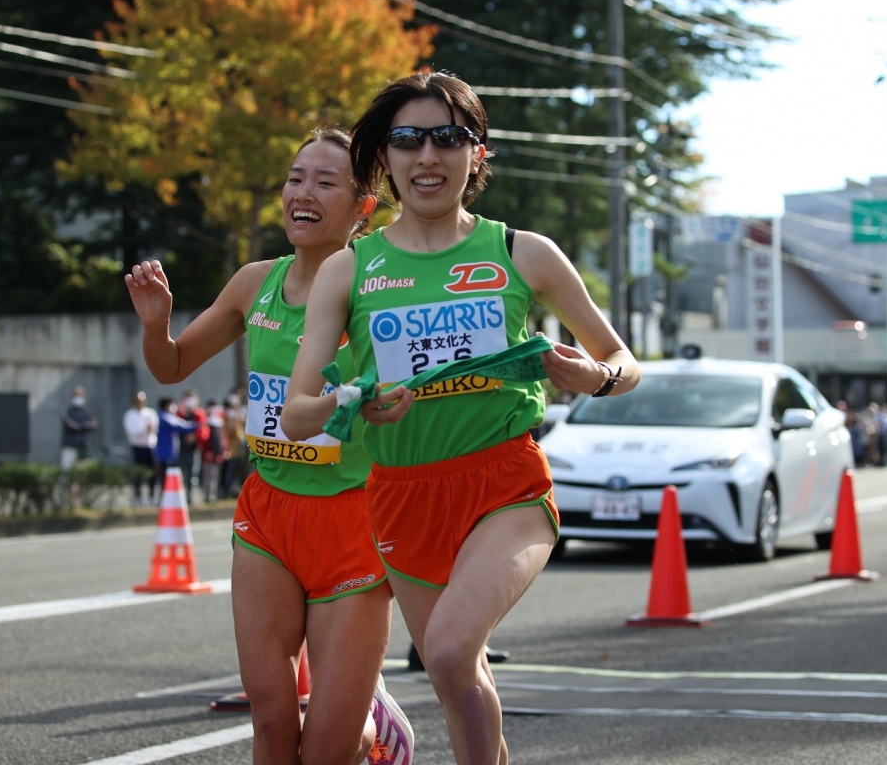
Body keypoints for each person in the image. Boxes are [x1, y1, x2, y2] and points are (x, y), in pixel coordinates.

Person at [282, 71, 639, 765]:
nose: (427, 157)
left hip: (504, 484)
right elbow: (297, 415)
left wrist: (595, 377)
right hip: (401, 492)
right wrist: (354, 399)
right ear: (382, 158)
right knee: (459, 675)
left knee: (444, 651)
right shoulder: (350, 268)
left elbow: (625, 361)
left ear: (476, 154)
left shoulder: (520, 252)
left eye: (449, 139)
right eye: (408, 140)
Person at [124, 127, 411, 764]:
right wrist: (154, 324)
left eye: (325, 182)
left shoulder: (378, 289)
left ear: (363, 207)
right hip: (269, 516)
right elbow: (171, 367)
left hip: (354, 520)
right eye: (295, 178)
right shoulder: (256, 283)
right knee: (273, 725)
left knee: (328, 747)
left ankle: (370, 727)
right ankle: (360, 714)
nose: (302, 193)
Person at [153, 395, 197, 501]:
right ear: (167, 405)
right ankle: (166, 499)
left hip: (169, 452)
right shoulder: (165, 416)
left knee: (169, 476)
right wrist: (199, 424)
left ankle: (168, 498)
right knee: (166, 477)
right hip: (165, 453)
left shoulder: (167, 416)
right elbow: (181, 426)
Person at [123, 390, 159, 506]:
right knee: (138, 474)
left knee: (152, 473)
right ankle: (138, 498)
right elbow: (132, 432)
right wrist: (145, 429)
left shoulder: (150, 413)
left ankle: (152, 497)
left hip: (150, 446)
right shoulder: (130, 415)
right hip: (137, 447)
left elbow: (155, 428)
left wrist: (150, 429)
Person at [176, 388, 209, 504]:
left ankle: (191, 498)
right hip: (179, 449)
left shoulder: (199, 414)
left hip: (193, 450)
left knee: (192, 474)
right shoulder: (179, 413)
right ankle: (180, 498)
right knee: (179, 475)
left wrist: (195, 437)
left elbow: (204, 431)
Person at [59, 386, 99, 470]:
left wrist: (81, 427)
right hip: (69, 445)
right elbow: (68, 424)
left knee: (81, 470)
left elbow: (94, 425)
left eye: (80, 395)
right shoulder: (68, 411)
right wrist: (83, 426)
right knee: (66, 470)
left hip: (82, 446)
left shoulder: (86, 412)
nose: (78, 397)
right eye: (76, 395)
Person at [221, 387, 249, 498]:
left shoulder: (241, 412)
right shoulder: (227, 414)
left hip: (239, 446)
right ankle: (226, 490)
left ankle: (235, 488)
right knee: (228, 469)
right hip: (229, 447)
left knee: (238, 468)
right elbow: (231, 431)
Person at [201, 398, 228, 503]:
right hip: (209, 453)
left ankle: (213, 496)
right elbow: (206, 438)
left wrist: (223, 450)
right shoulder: (206, 421)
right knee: (208, 476)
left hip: (217, 454)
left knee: (215, 476)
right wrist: (208, 450)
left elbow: (221, 439)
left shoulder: (219, 421)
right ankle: (207, 497)